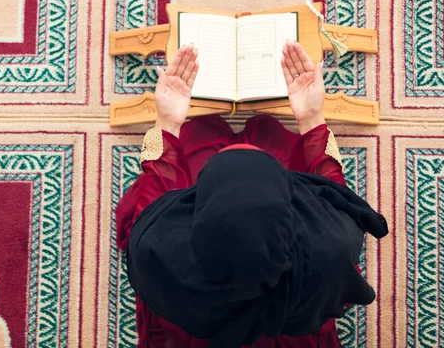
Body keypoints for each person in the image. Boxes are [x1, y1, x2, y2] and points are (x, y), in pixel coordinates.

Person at [115, 41, 388, 348]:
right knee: (266, 132)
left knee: (202, 131)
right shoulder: (331, 247)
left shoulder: (155, 253)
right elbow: (333, 193)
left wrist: (167, 123)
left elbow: (152, 201)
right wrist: (311, 118)